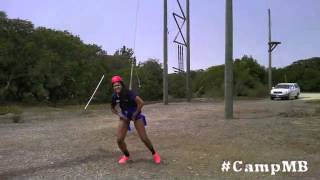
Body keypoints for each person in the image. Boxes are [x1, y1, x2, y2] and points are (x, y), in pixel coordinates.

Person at [110, 75, 161, 164]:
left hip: (135, 114)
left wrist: (135, 114)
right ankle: (126, 155)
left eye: (118, 85)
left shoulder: (129, 93)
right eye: (114, 86)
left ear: (121, 85)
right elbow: (112, 108)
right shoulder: (114, 96)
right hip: (125, 116)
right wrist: (120, 115)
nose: (116, 87)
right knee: (119, 139)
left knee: (144, 138)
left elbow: (141, 103)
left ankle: (154, 154)